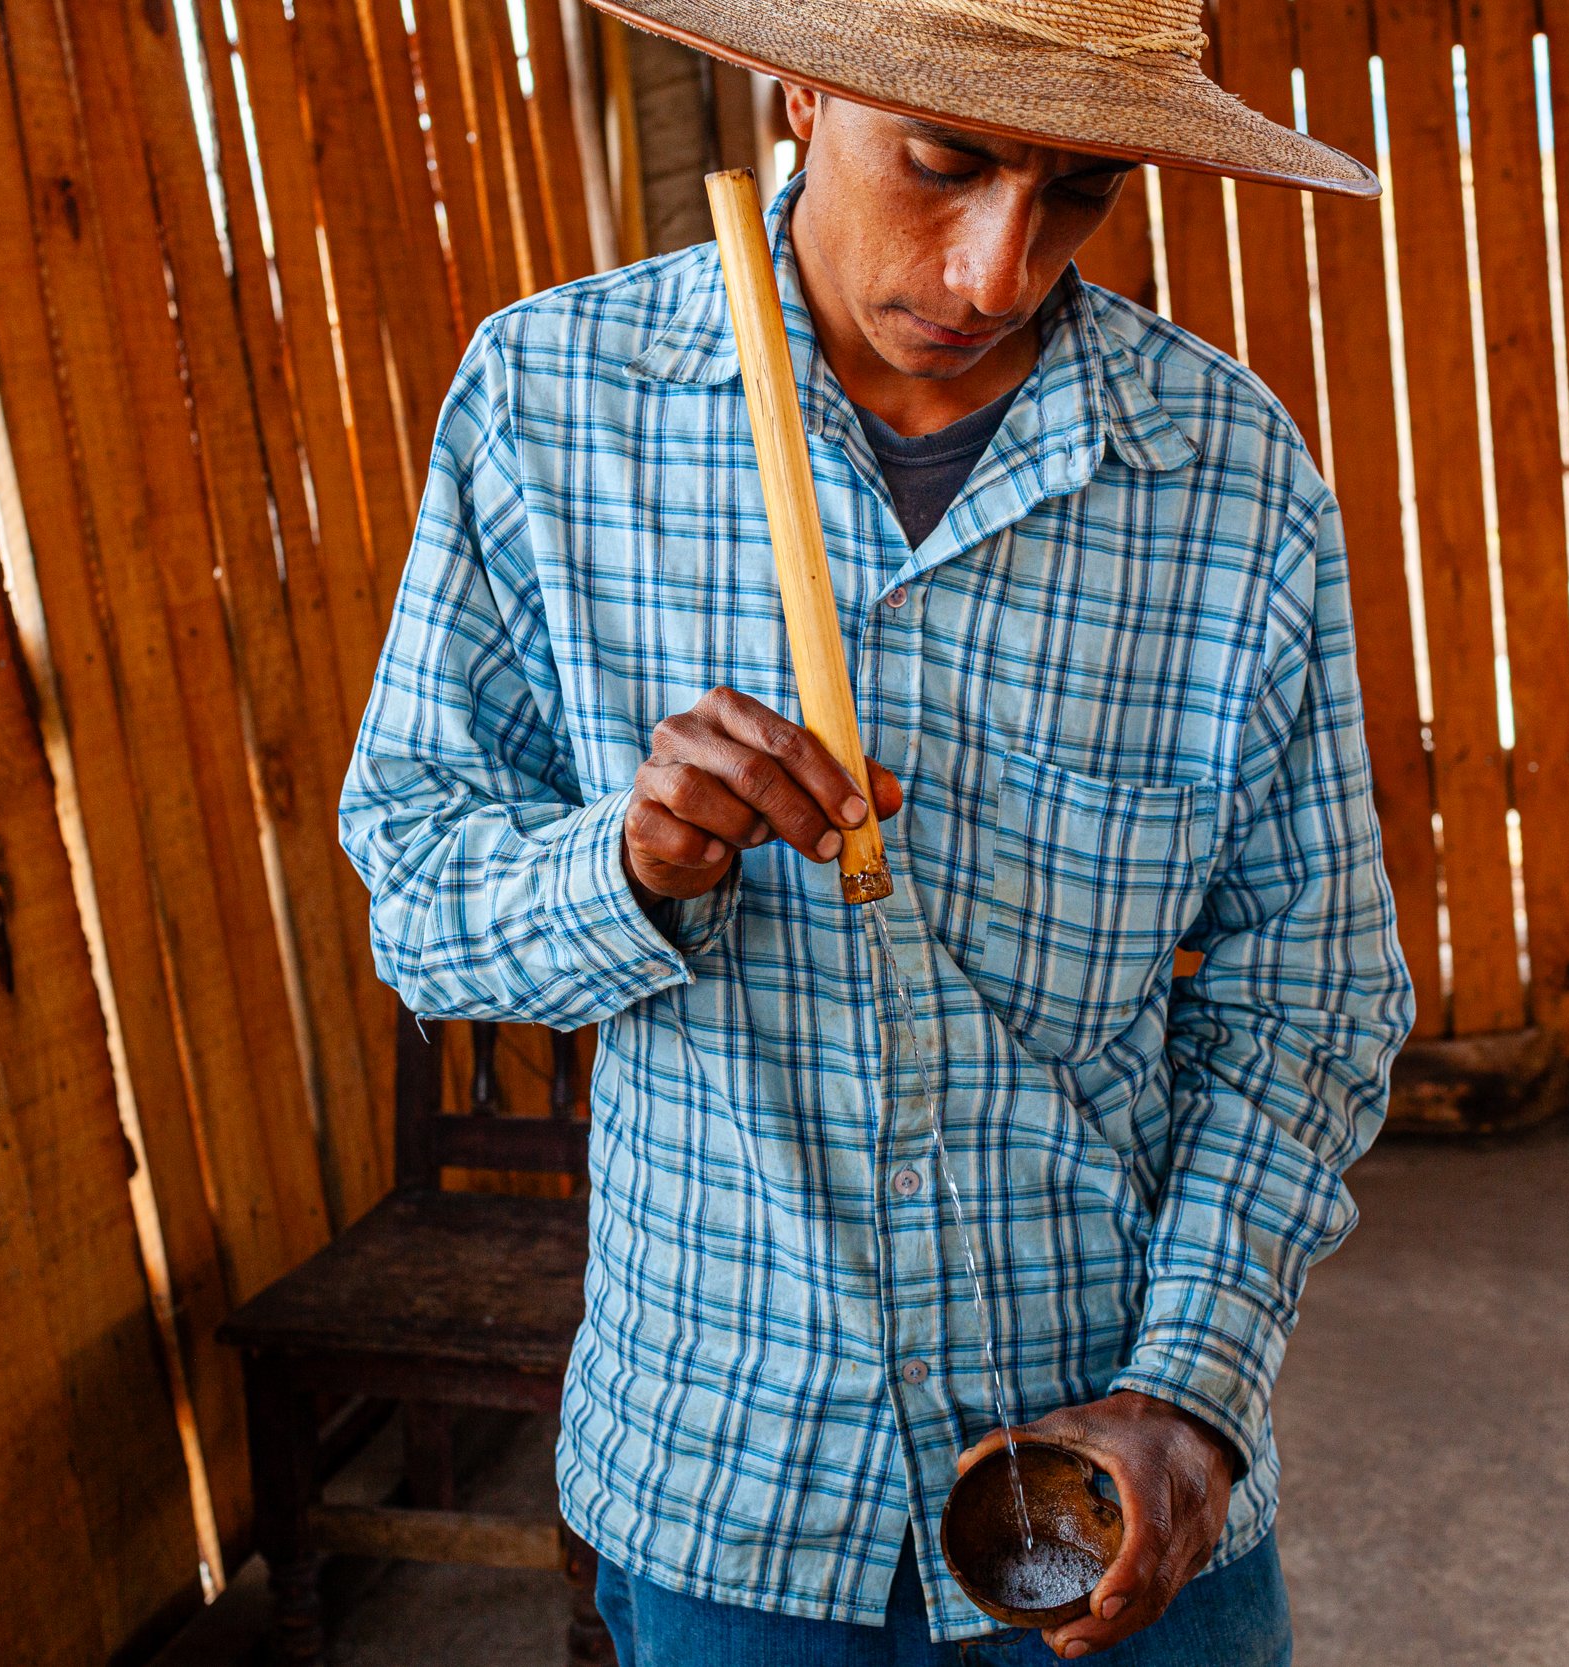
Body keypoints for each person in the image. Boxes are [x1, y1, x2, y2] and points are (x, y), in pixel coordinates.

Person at [338, 0, 1412, 1654]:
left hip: (1110, 1469)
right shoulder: (558, 405)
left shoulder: (1226, 479)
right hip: (730, 1489)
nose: (997, 270)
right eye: (946, 161)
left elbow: (1309, 1001)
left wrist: (1188, 1400)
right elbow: (412, 887)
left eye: (1077, 193)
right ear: (797, 85)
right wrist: (623, 863)